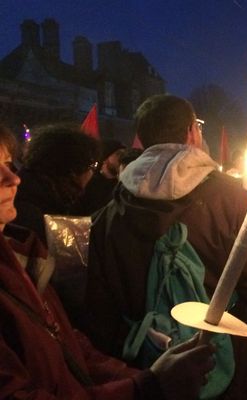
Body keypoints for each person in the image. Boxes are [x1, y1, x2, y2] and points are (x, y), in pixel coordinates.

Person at [83, 94, 247, 399]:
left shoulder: (108, 215)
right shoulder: (230, 197)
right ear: (192, 132)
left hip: (148, 374)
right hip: (235, 372)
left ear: (142, 139)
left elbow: (99, 312)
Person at [0, 124, 216, 400]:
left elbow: (63, 341)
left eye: (8, 164)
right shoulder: (36, 229)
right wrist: (146, 386)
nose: (12, 178)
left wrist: (145, 377)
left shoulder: (23, 251)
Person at [13, 124, 101, 242]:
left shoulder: (50, 196)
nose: (93, 173)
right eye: (92, 166)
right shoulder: (36, 217)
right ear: (74, 169)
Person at [76, 139, 126, 214]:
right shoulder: (87, 181)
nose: (122, 158)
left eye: (124, 155)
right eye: (118, 154)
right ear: (105, 158)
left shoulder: (121, 187)